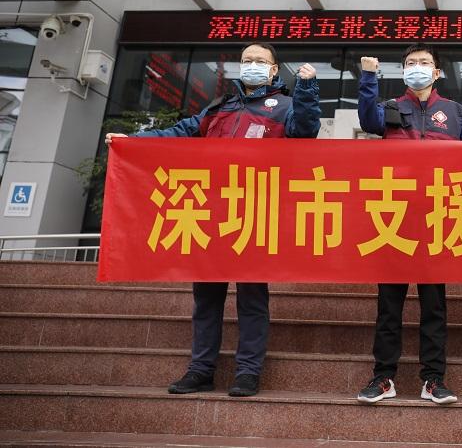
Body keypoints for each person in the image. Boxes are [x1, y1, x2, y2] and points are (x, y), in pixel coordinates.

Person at [106, 43, 321, 397]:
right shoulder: (220, 107)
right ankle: (201, 370)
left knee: (252, 298)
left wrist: (308, 89)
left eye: (260, 61)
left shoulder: (285, 107)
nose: (252, 65)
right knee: (206, 299)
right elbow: (180, 133)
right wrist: (133, 141)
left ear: (274, 70)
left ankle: (248, 372)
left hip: (254, 214)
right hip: (211, 213)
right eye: (247, 60)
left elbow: (305, 132)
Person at [355, 43, 462, 406]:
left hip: (436, 220)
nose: (418, 67)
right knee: (389, 306)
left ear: (437, 72)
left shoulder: (453, 111)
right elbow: (367, 121)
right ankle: (383, 378)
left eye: (424, 62)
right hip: (394, 219)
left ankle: (433, 379)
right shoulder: (389, 107)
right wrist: (368, 77)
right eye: (411, 63)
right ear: (403, 71)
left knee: (434, 307)